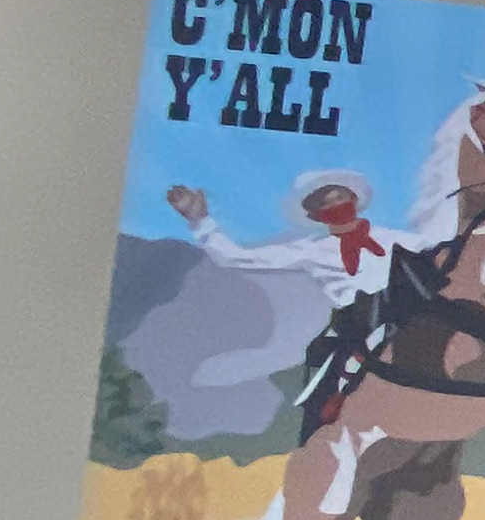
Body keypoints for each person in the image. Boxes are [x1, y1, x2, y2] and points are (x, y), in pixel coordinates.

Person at [167, 167, 397, 435]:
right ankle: (319, 437)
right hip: (356, 326)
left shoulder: (396, 238)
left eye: (340, 197)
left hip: (407, 314)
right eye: (326, 203)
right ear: (316, 214)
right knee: (330, 390)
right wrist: (200, 221)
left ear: (355, 200)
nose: (336, 205)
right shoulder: (310, 250)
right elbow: (236, 257)